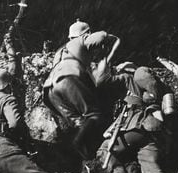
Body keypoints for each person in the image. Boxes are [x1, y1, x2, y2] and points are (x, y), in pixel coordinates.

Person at [96, 65, 175, 173]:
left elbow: (102, 81)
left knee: (104, 149)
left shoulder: (127, 79)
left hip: (135, 126)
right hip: (154, 133)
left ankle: (117, 171)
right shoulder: (155, 92)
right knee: (150, 167)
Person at [43, 19, 120, 160]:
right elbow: (100, 37)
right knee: (94, 114)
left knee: (80, 124)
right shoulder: (81, 40)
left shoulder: (61, 50)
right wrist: (107, 36)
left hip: (51, 90)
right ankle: (77, 144)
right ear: (86, 33)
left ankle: (87, 159)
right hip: (68, 80)